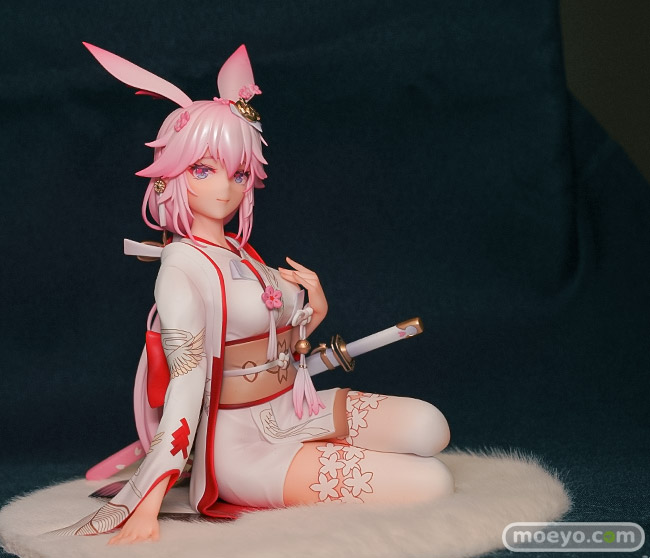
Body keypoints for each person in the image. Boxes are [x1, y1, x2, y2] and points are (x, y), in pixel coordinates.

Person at [53, 44, 452, 545]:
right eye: (203, 170)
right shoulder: (180, 267)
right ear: (170, 174)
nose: (226, 188)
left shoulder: (244, 252)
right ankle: (299, 473)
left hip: (294, 407)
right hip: (240, 444)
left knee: (430, 427)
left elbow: (271, 336)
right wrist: (146, 500)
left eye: (239, 173)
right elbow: (185, 387)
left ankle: (330, 460)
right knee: (432, 482)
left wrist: (316, 310)